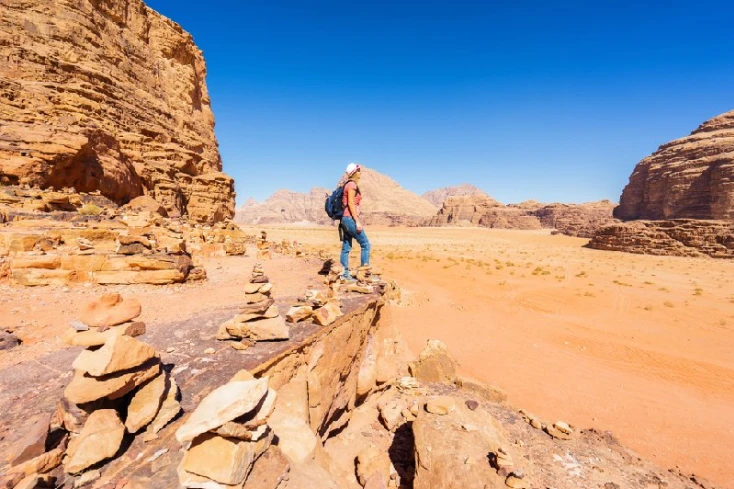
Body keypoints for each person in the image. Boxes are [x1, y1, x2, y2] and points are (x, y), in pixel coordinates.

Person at [340, 162, 371, 281]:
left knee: (346, 248)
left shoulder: (347, 184)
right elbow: (351, 203)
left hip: (345, 219)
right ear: (354, 173)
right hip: (350, 219)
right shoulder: (352, 185)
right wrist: (357, 221)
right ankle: (365, 274)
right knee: (366, 244)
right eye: (359, 171)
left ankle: (344, 274)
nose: (360, 173)